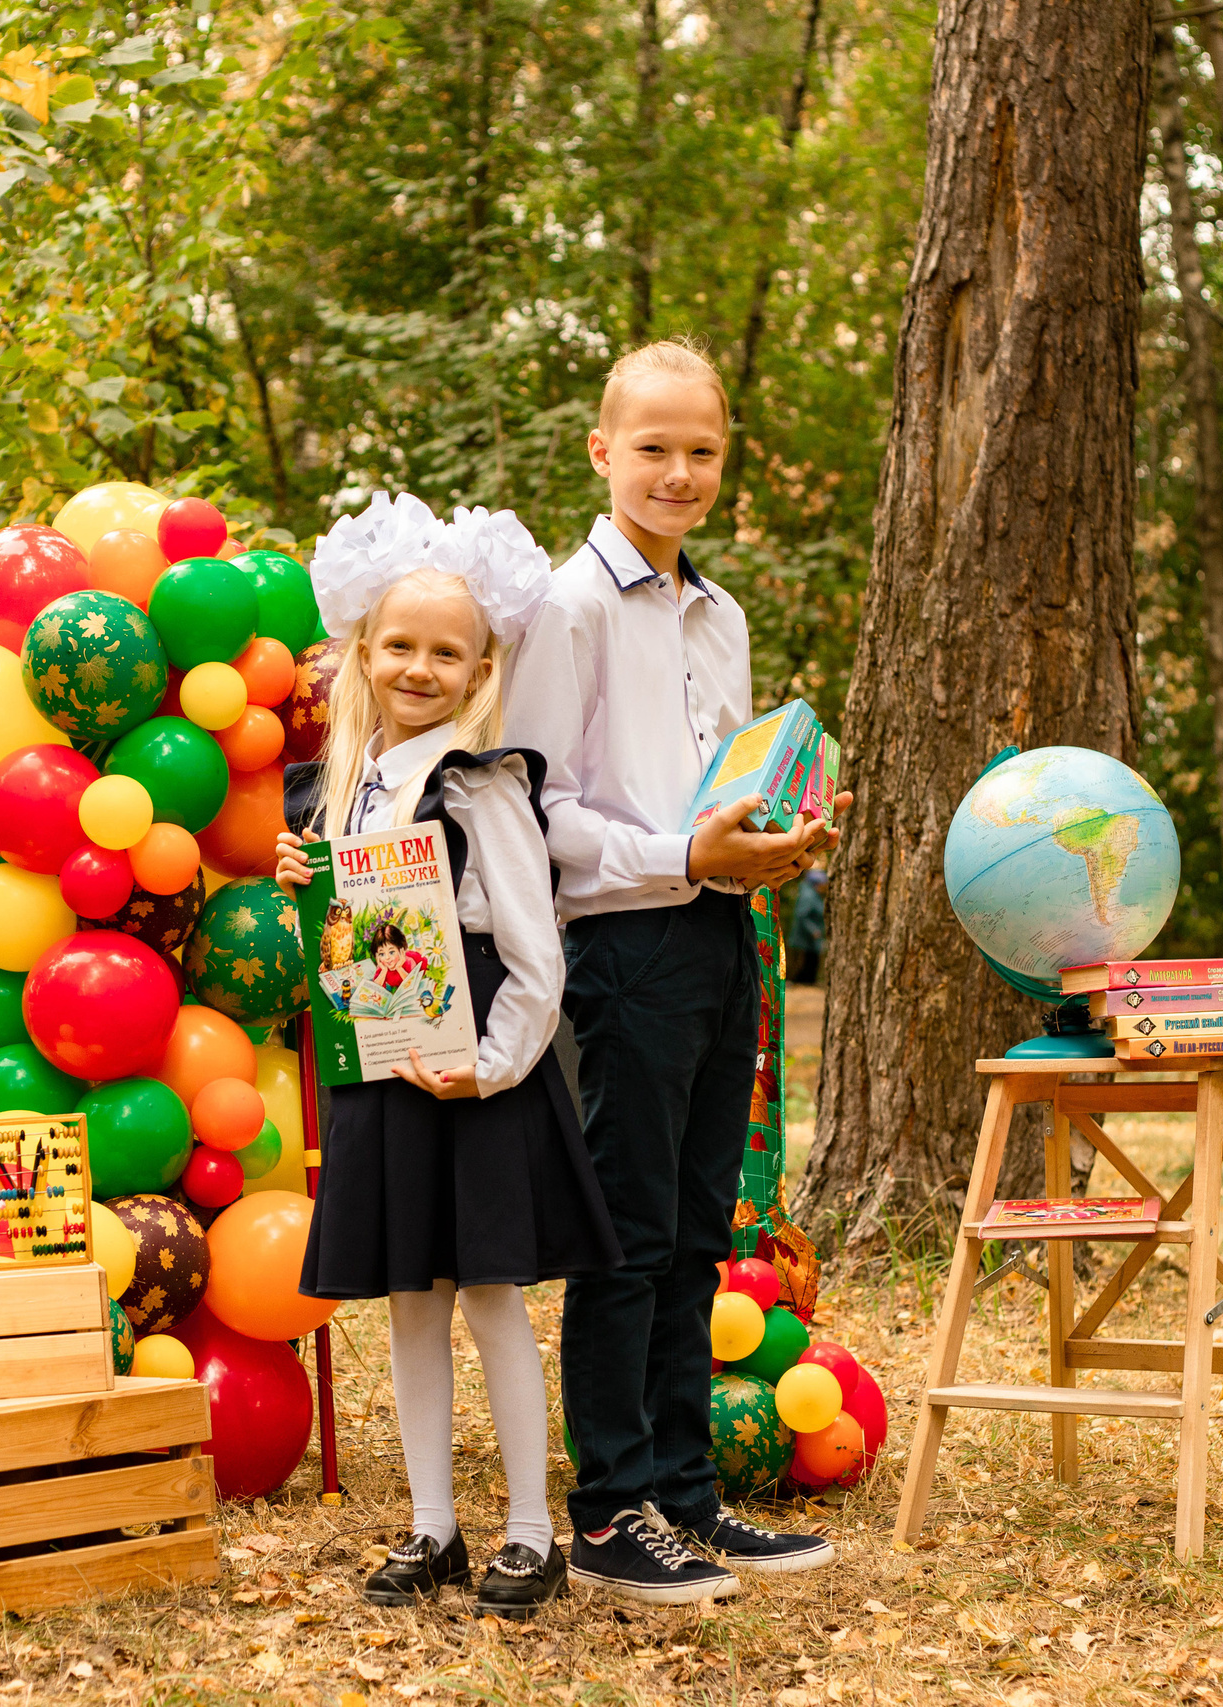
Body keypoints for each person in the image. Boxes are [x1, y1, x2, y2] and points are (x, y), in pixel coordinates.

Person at [507, 339, 848, 1605]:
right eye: (653, 447)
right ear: (602, 454)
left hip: (719, 936)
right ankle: (606, 1513)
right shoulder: (569, 607)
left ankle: (684, 1497)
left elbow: (720, 795)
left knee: (703, 1228)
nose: (679, 471)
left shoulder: (723, 613)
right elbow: (533, 814)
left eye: (701, 450)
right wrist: (680, 854)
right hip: (623, 946)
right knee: (628, 1234)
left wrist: (776, 845)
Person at [276, 492, 624, 1620]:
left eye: (446, 652)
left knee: (487, 1298)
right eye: (399, 646)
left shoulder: (483, 784)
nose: (419, 667)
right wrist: (309, 892)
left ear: (480, 672)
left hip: (474, 1072)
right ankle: (434, 1528)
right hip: (382, 1065)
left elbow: (535, 956)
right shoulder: (343, 789)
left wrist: (496, 1063)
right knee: (408, 1306)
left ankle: (531, 1533)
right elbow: (367, 949)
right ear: (363, 654)